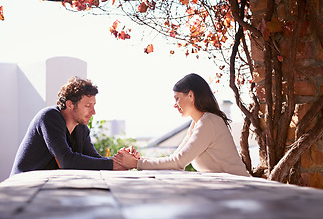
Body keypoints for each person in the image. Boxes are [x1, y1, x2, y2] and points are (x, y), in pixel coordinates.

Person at [113, 73, 249, 176]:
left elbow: (178, 162)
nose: (174, 105)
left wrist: (136, 163)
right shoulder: (197, 123)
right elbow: (174, 160)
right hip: (228, 187)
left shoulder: (209, 121)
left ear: (191, 95)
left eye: (177, 98)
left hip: (243, 189)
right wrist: (139, 159)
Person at [10, 76, 124, 176]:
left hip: (48, 186)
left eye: (93, 105)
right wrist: (114, 164)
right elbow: (66, 160)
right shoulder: (50, 117)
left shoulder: (81, 128)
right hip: (24, 187)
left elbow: (95, 160)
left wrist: (121, 160)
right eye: (88, 105)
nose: (93, 112)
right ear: (69, 104)